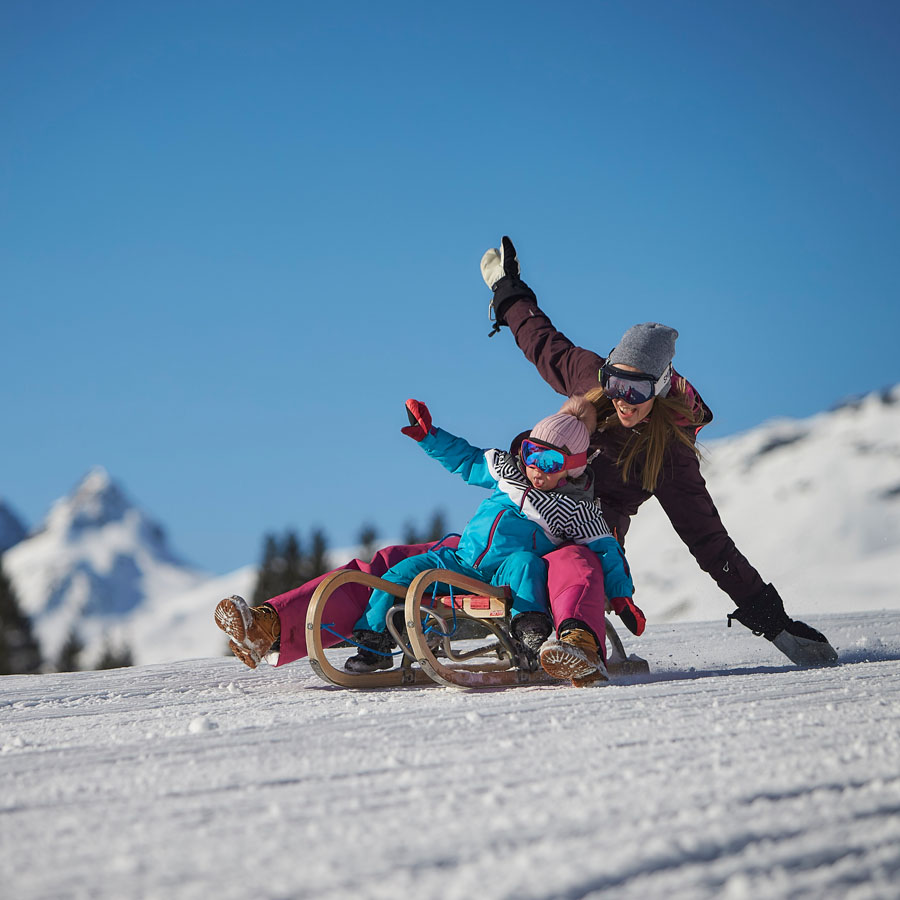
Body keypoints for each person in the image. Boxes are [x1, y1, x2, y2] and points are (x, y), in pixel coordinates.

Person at [478, 235, 838, 667]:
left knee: (575, 562)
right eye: (616, 383)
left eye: (637, 389)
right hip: (536, 499)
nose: (622, 399)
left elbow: (709, 542)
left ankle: (571, 636)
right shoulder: (589, 379)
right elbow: (541, 340)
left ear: (661, 387)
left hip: (593, 531)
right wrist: (507, 287)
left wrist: (774, 623)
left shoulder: (668, 454)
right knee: (496, 543)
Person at [216, 396, 638, 687]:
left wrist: (622, 600)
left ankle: (536, 634)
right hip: (463, 557)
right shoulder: (508, 472)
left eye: (548, 462)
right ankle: (287, 628)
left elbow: (606, 552)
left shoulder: (576, 510)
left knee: (530, 563)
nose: (535, 468)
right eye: (529, 453)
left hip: (511, 570)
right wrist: (429, 436)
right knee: (393, 566)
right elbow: (468, 458)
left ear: (572, 467)